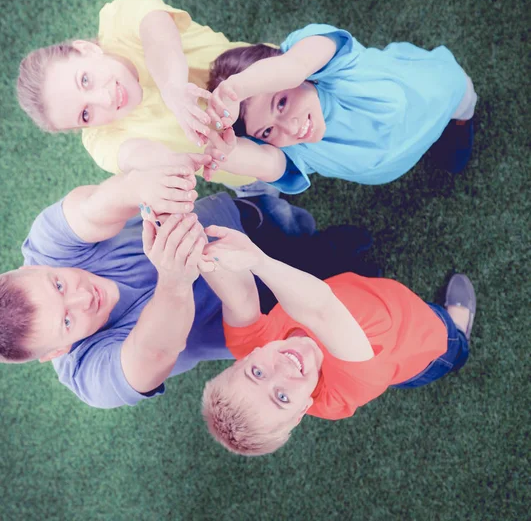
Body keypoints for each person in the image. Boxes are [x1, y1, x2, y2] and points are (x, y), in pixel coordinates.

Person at [0, 163, 377, 409]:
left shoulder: (46, 245)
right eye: (68, 321)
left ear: (33, 268)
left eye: (59, 284)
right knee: (342, 316)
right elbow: (154, 353)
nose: (84, 296)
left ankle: (323, 246)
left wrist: (143, 187)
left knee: (297, 230)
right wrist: (176, 280)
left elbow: (99, 204)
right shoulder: (89, 376)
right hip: (256, 321)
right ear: (57, 351)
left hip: (234, 227)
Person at [200, 227, 476, 456]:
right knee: (450, 342)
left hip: (373, 295)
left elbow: (239, 296)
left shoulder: (247, 344)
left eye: (256, 373)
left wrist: (190, 243)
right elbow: (322, 309)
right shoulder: (341, 394)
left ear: (246, 358)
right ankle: (460, 332)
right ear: (301, 412)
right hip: (423, 341)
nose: (283, 371)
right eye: (282, 397)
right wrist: (259, 261)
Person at [16, 0, 257, 187]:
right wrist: (169, 163)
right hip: (252, 164)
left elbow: (158, 37)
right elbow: (133, 154)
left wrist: (173, 87)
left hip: (266, 75)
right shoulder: (101, 140)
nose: (105, 99)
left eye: (85, 80)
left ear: (87, 50)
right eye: (85, 114)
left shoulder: (119, 18)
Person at [203, 25, 478, 193]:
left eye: (282, 102)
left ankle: (461, 124)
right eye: (266, 131)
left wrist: (238, 88)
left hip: (436, 94)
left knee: (462, 101)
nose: (290, 128)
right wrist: (226, 148)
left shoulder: (335, 67)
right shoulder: (294, 150)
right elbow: (264, 163)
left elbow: (295, 64)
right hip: (401, 157)